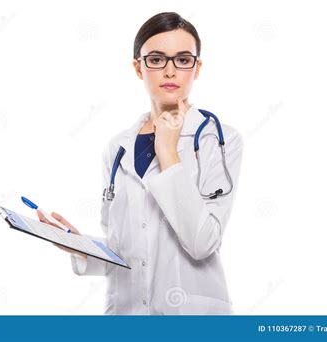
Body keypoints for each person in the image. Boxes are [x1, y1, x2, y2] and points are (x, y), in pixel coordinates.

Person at [38, 12, 244, 315]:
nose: (170, 71)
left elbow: (203, 243)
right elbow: (129, 249)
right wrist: (78, 246)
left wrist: (167, 151)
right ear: (139, 67)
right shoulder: (117, 148)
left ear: (197, 68)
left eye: (183, 59)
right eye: (157, 60)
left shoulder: (220, 140)